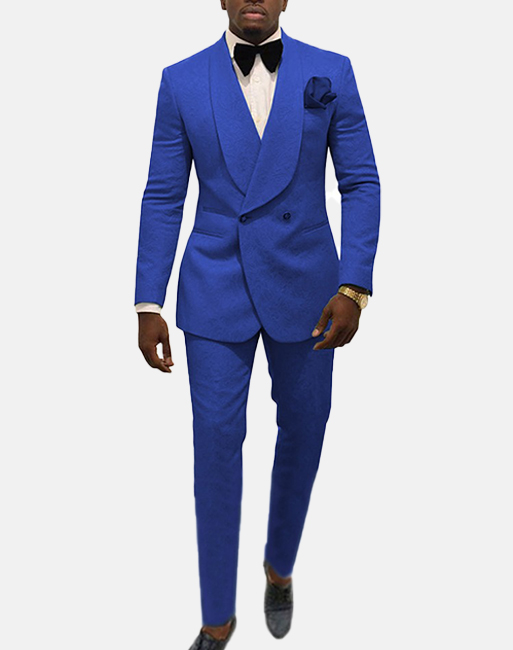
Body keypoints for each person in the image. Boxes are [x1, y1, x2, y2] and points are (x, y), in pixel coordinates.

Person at [134, 1, 380, 647]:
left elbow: (359, 181)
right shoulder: (181, 79)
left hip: (311, 289)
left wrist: (354, 285)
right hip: (215, 287)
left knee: (305, 430)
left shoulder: (332, 70)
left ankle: (279, 567)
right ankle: (217, 618)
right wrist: (148, 301)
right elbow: (164, 193)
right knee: (214, 447)